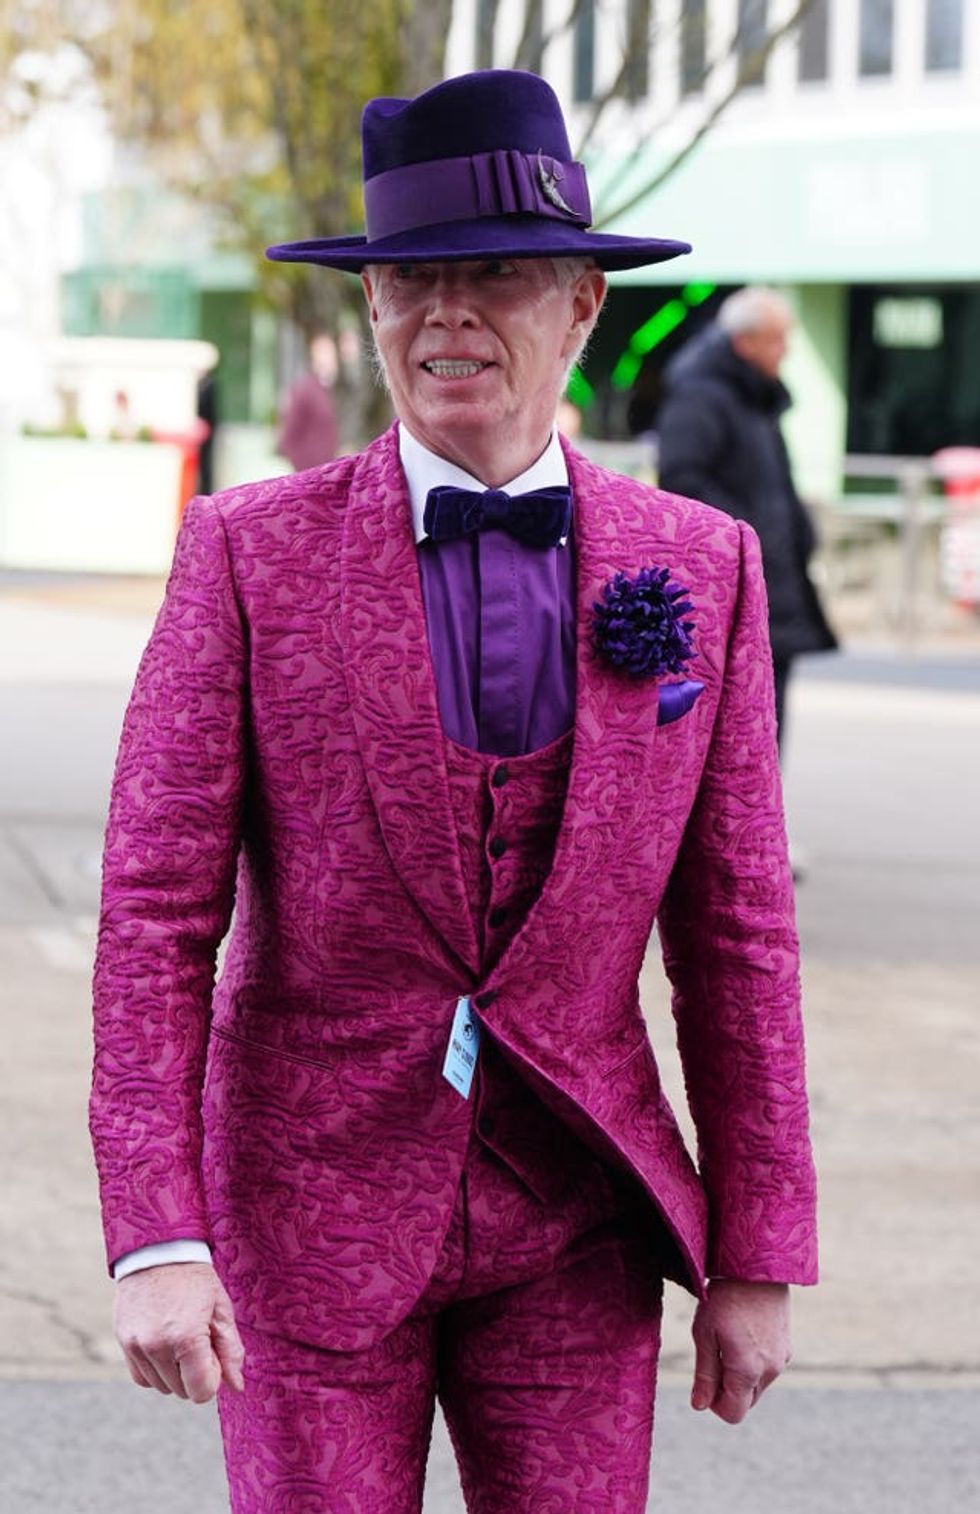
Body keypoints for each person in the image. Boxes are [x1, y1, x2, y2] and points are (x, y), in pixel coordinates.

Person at [90, 71, 817, 1512]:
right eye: (413, 280)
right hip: (308, 1207)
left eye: (495, 275)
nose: (448, 316)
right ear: (370, 311)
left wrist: (759, 1247)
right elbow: (155, 910)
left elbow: (735, 938)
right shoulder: (246, 556)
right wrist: (154, 1228)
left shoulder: (705, 564)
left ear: (583, 306)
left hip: (578, 1216)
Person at [657, 286, 837, 751]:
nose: (787, 350)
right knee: (736, 735)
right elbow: (681, 483)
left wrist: (798, 534)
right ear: (745, 342)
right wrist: (746, 537)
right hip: (730, 592)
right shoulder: (702, 397)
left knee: (767, 728)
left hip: (773, 584)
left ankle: (762, 821)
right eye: (778, 339)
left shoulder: (757, 398)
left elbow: (774, 486)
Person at [276, 330, 340, 469]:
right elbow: (289, 434)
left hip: (331, 470)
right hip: (311, 471)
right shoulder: (304, 390)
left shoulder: (334, 389)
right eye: (323, 352)